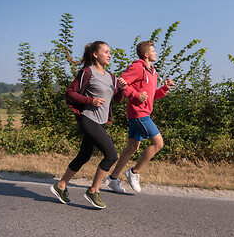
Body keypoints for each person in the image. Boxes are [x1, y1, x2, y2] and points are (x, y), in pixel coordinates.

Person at [50, 41, 126, 209]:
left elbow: (117, 100)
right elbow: (69, 93)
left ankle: (61, 185)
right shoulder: (87, 72)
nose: (109, 55)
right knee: (112, 155)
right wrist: (90, 100)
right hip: (88, 119)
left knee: (84, 156)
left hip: (102, 122)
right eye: (106, 52)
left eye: (110, 52)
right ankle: (93, 190)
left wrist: (120, 89)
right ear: (95, 54)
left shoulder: (111, 77)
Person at [105, 40, 175, 193]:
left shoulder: (153, 71)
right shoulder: (137, 67)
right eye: (153, 50)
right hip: (138, 113)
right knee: (158, 144)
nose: (156, 52)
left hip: (143, 112)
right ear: (146, 54)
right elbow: (120, 83)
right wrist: (136, 96)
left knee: (132, 147)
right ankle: (134, 172)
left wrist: (165, 88)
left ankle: (112, 179)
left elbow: (152, 95)